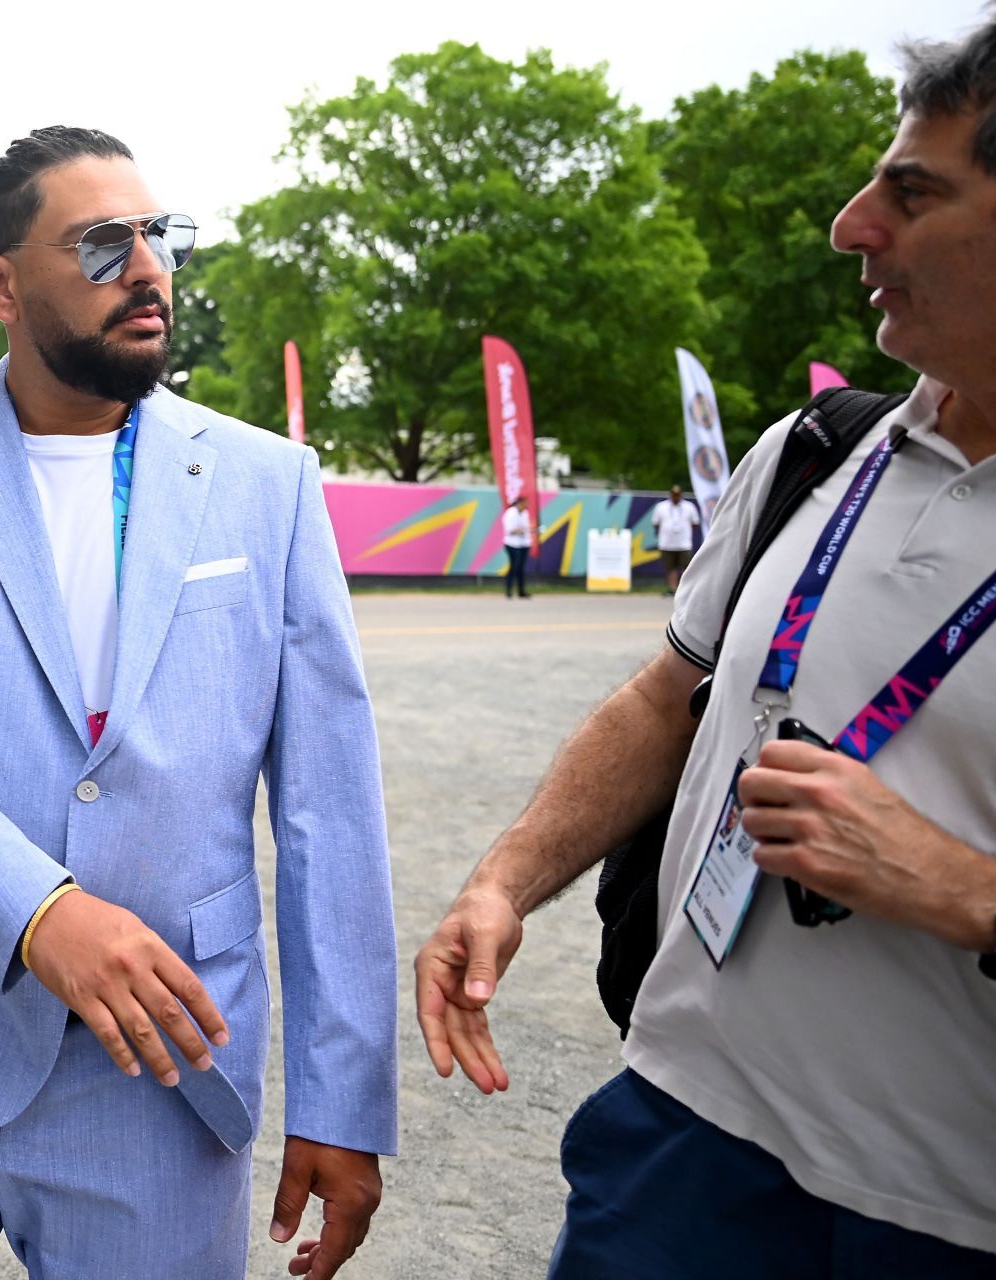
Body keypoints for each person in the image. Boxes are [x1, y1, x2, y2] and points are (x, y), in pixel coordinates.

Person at [414, 23, 996, 1276]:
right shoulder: (814, 455)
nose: (850, 226)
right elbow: (664, 701)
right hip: (678, 1148)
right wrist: (504, 881)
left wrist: (959, 885)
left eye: (914, 193)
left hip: (949, 1216)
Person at [0, 127, 396, 1279]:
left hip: (163, 1063)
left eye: (158, 236)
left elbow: (330, 806)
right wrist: (37, 909)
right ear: (0, 282)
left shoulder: (268, 484)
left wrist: (341, 1095)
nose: (149, 268)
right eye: (104, 244)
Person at [648, 483, 702, 594]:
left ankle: (683, 589)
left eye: (677, 495)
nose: (675, 497)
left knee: (685, 568)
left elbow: (695, 523)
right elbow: (655, 523)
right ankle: (672, 588)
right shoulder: (661, 507)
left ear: (681, 495)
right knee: (670, 567)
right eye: (674, 495)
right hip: (666, 543)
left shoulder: (689, 507)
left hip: (684, 543)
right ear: (670, 495)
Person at [501, 493, 533, 599]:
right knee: (514, 567)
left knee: (521, 568)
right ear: (519, 503)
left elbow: (527, 527)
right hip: (512, 544)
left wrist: (528, 529)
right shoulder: (510, 513)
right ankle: (509, 590)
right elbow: (511, 530)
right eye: (525, 503)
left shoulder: (525, 513)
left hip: (524, 543)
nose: (526, 505)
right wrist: (524, 529)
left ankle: (521, 591)